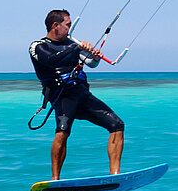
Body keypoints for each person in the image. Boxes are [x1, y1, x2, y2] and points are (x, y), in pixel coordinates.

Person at [29, 9, 124, 179]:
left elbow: (91, 63)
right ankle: (55, 178)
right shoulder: (38, 46)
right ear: (55, 26)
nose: (70, 29)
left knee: (117, 125)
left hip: (83, 95)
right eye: (68, 25)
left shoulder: (70, 44)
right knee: (62, 131)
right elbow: (52, 60)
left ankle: (115, 174)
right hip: (63, 96)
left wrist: (94, 56)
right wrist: (76, 46)